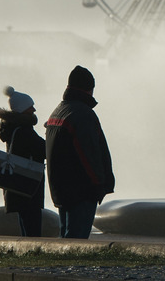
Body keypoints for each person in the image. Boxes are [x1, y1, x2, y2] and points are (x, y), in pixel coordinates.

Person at [45, 65, 115, 239]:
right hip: (81, 190)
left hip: (61, 188)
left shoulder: (59, 111)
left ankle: (60, 267)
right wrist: (99, 183)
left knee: (66, 237)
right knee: (77, 240)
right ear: (89, 88)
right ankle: (72, 267)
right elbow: (89, 153)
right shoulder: (82, 114)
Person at [0, 86, 47, 237]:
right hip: (27, 184)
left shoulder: (12, 128)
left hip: (18, 185)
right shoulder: (24, 130)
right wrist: (51, 135)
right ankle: (32, 254)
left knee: (25, 222)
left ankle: (28, 252)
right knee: (32, 225)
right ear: (23, 109)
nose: (34, 110)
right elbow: (42, 150)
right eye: (30, 106)